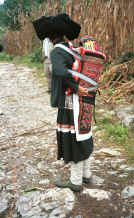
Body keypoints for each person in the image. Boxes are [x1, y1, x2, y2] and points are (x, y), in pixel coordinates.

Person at [32, 13, 94, 192]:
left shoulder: (57, 51)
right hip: (84, 101)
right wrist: (79, 89)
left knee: (73, 138)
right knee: (84, 135)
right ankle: (86, 175)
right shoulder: (72, 48)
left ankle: (75, 182)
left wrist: (74, 88)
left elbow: (59, 71)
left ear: (51, 37)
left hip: (69, 102)